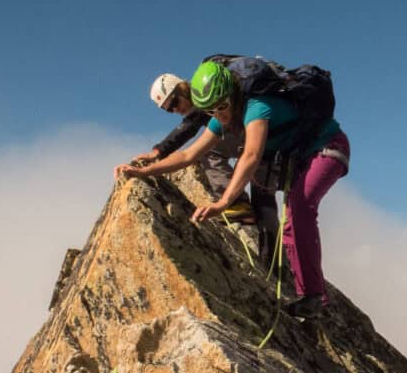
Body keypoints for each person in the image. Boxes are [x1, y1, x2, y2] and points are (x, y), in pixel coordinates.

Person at [115, 61, 349, 320]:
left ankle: (314, 298)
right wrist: (143, 171)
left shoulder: (257, 107)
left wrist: (223, 202)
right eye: (212, 110)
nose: (220, 115)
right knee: (290, 218)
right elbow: (190, 154)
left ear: (233, 95)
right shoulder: (221, 113)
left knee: (299, 208)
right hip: (300, 157)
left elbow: (250, 155)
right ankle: (309, 295)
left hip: (328, 148)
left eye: (223, 107)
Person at [125, 72, 258, 225]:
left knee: (207, 151)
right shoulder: (203, 102)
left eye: (174, 103)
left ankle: (237, 204)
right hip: (252, 134)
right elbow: (188, 131)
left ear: (181, 89)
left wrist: (158, 152)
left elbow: (188, 128)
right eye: (169, 109)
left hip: (253, 135)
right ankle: (245, 211)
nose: (175, 110)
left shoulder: (202, 95)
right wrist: (157, 154)